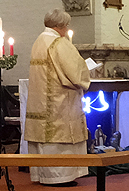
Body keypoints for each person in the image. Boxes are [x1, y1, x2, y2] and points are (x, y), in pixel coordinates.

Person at [24, 8, 90, 187]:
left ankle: (44, 175)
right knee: (58, 139)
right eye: (66, 25)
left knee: (44, 140)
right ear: (60, 25)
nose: (66, 28)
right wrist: (86, 72)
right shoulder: (59, 43)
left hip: (41, 102)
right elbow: (75, 73)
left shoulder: (39, 41)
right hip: (58, 103)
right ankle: (61, 177)